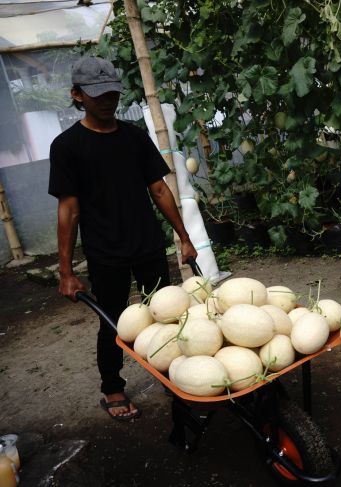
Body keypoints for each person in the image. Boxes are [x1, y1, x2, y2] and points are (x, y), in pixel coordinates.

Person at [48, 56, 197, 421]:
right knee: (115, 321)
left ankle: (172, 373)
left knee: (168, 314)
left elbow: (159, 190)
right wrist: (65, 271)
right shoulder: (67, 146)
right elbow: (69, 210)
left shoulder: (134, 137)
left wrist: (184, 237)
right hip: (106, 252)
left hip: (146, 243)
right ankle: (112, 387)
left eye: (112, 92)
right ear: (77, 95)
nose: (107, 100)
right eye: (98, 94)